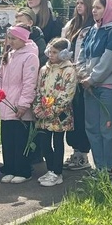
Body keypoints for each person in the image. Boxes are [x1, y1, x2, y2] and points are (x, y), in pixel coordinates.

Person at [77, 0, 112, 173]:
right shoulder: (91, 30)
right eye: (94, 7)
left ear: (109, 9)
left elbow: (109, 60)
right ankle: (99, 167)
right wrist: (82, 75)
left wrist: (92, 78)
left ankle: (108, 168)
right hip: (88, 85)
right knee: (92, 128)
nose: (94, 11)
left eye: (99, 8)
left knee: (107, 128)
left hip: (106, 87)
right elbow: (82, 55)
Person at [0, 25, 40, 183]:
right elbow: (0, 77)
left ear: (23, 39)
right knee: (8, 139)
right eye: (9, 38)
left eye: (14, 38)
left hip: (19, 103)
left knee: (21, 139)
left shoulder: (30, 56)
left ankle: (23, 170)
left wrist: (23, 104)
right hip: (6, 102)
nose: (10, 41)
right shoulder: (9, 54)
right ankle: (10, 168)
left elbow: (29, 82)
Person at [34, 38, 77, 187]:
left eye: (55, 52)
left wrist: (52, 111)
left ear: (64, 54)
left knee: (58, 142)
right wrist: (38, 108)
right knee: (44, 141)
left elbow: (67, 94)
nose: (50, 55)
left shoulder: (69, 70)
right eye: (50, 52)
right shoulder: (44, 69)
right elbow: (39, 89)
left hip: (60, 115)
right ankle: (50, 169)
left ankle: (57, 172)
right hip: (44, 113)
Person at [62, 0, 95, 172]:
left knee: (82, 115)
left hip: (83, 75)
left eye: (82, 3)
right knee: (72, 115)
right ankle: (75, 151)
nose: (79, 6)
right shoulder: (73, 24)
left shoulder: (92, 26)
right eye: (77, 3)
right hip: (69, 75)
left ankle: (83, 154)